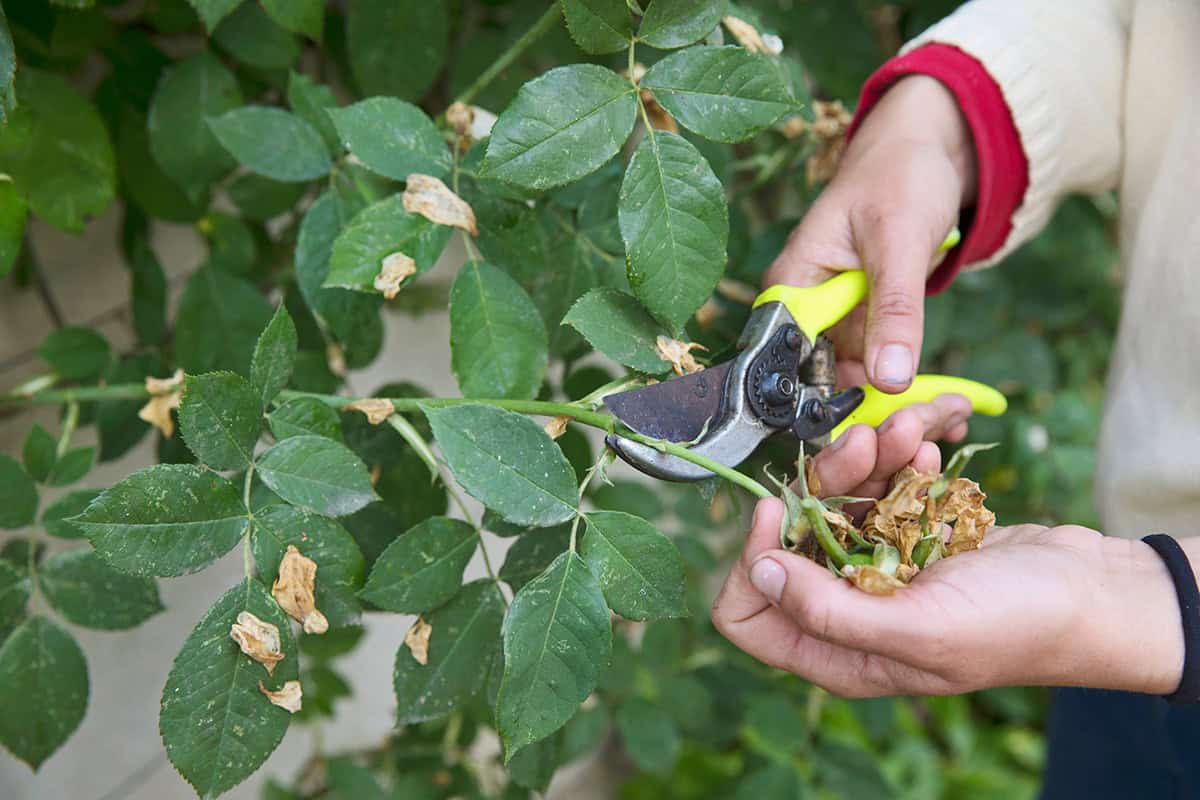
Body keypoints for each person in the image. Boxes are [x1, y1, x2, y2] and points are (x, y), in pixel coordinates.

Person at [709, 2, 1200, 796]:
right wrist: (937, 124)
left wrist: (1152, 603)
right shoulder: (1100, 601)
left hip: (1140, 613)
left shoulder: (1104, 604)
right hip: (1126, 621)